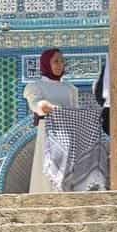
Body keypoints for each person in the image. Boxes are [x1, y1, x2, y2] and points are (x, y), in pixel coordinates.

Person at [24, 48, 80, 194]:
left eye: (62, 61)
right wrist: (51, 108)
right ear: (46, 64)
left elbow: (75, 111)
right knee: (49, 171)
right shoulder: (35, 87)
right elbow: (38, 105)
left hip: (68, 133)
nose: (60, 65)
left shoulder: (70, 88)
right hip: (48, 133)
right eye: (55, 61)